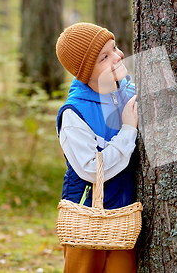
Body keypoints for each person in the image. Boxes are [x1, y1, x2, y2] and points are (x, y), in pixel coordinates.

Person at [55, 22, 139, 273]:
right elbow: (91, 169)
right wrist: (127, 130)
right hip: (88, 220)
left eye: (114, 48)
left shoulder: (126, 90)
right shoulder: (74, 114)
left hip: (124, 219)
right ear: (85, 72)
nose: (117, 57)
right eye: (104, 57)